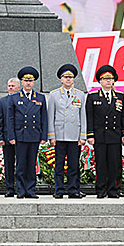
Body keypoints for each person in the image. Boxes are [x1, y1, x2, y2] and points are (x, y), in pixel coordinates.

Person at [85, 65, 124, 198]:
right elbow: (90, 117)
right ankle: (100, 190)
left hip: (115, 135)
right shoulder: (93, 97)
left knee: (115, 164)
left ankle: (113, 189)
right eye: (105, 79)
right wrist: (90, 135)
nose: (108, 81)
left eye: (110, 79)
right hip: (100, 136)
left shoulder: (119, 97)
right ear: (100, 81)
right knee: (101, 164)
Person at [7, 67, 47, 199]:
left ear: (34, 82)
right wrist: (11, 136)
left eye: (31, 80)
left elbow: (44, 118)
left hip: (34, 135)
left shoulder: (40, 97)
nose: (28, 83)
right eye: (25, 81)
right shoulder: (14, 98)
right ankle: (20, 190)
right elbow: (10, 119)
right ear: (22, 82)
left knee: (31, 164)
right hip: (20, 136)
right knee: (21, 164)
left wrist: (44, 136)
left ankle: (30, 190)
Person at [47, 64, 86, 199]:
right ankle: (59, 190)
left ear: (74, 79)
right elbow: (50, 116)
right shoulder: (54, 95)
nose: (68, 79)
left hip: (75, 135)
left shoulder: (80, 95)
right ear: (61, 79)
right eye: (65, 77)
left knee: (73, 165)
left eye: (70, 77)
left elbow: (83, 116)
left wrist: (83, 135)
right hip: (60, 134)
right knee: (59, 165)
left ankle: (73, 189)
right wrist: (51, 135)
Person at [0, 77, 20, 196]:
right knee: (9, 164)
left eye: (13, 86)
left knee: (21, 164)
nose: (10, 88)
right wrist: (0, 137)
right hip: (6, 138)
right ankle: (10, 188)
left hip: (22, 138)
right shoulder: (2, 101)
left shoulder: (23, 100)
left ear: (19, 87)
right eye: (9, 86)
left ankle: (21, 187)